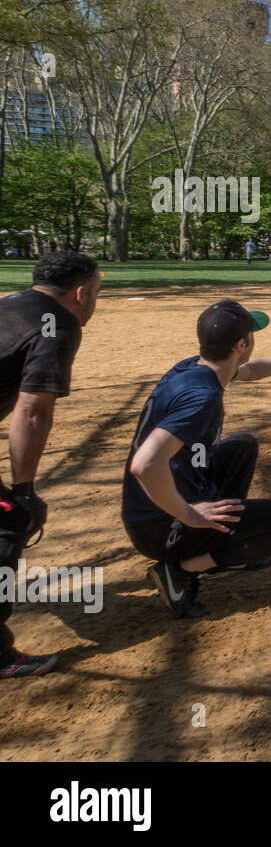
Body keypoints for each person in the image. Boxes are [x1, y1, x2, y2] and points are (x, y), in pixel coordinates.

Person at [122, 300, 271, 619]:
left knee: (241, 447)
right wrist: (187, 513)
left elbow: (250, 369)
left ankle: (224, 545)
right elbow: (145, 464)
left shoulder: (193, 368)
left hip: (157, 503)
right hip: (161, 526)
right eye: (251, 335)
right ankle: (182, 569)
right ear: (241, 345)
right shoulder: (202, 397)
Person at [0, 251, 100, 678]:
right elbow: (33, 410)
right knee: (8, 522)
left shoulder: (9, 303)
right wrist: (23, 491)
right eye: (97, 292)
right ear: (81, 293)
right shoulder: (58, 324)